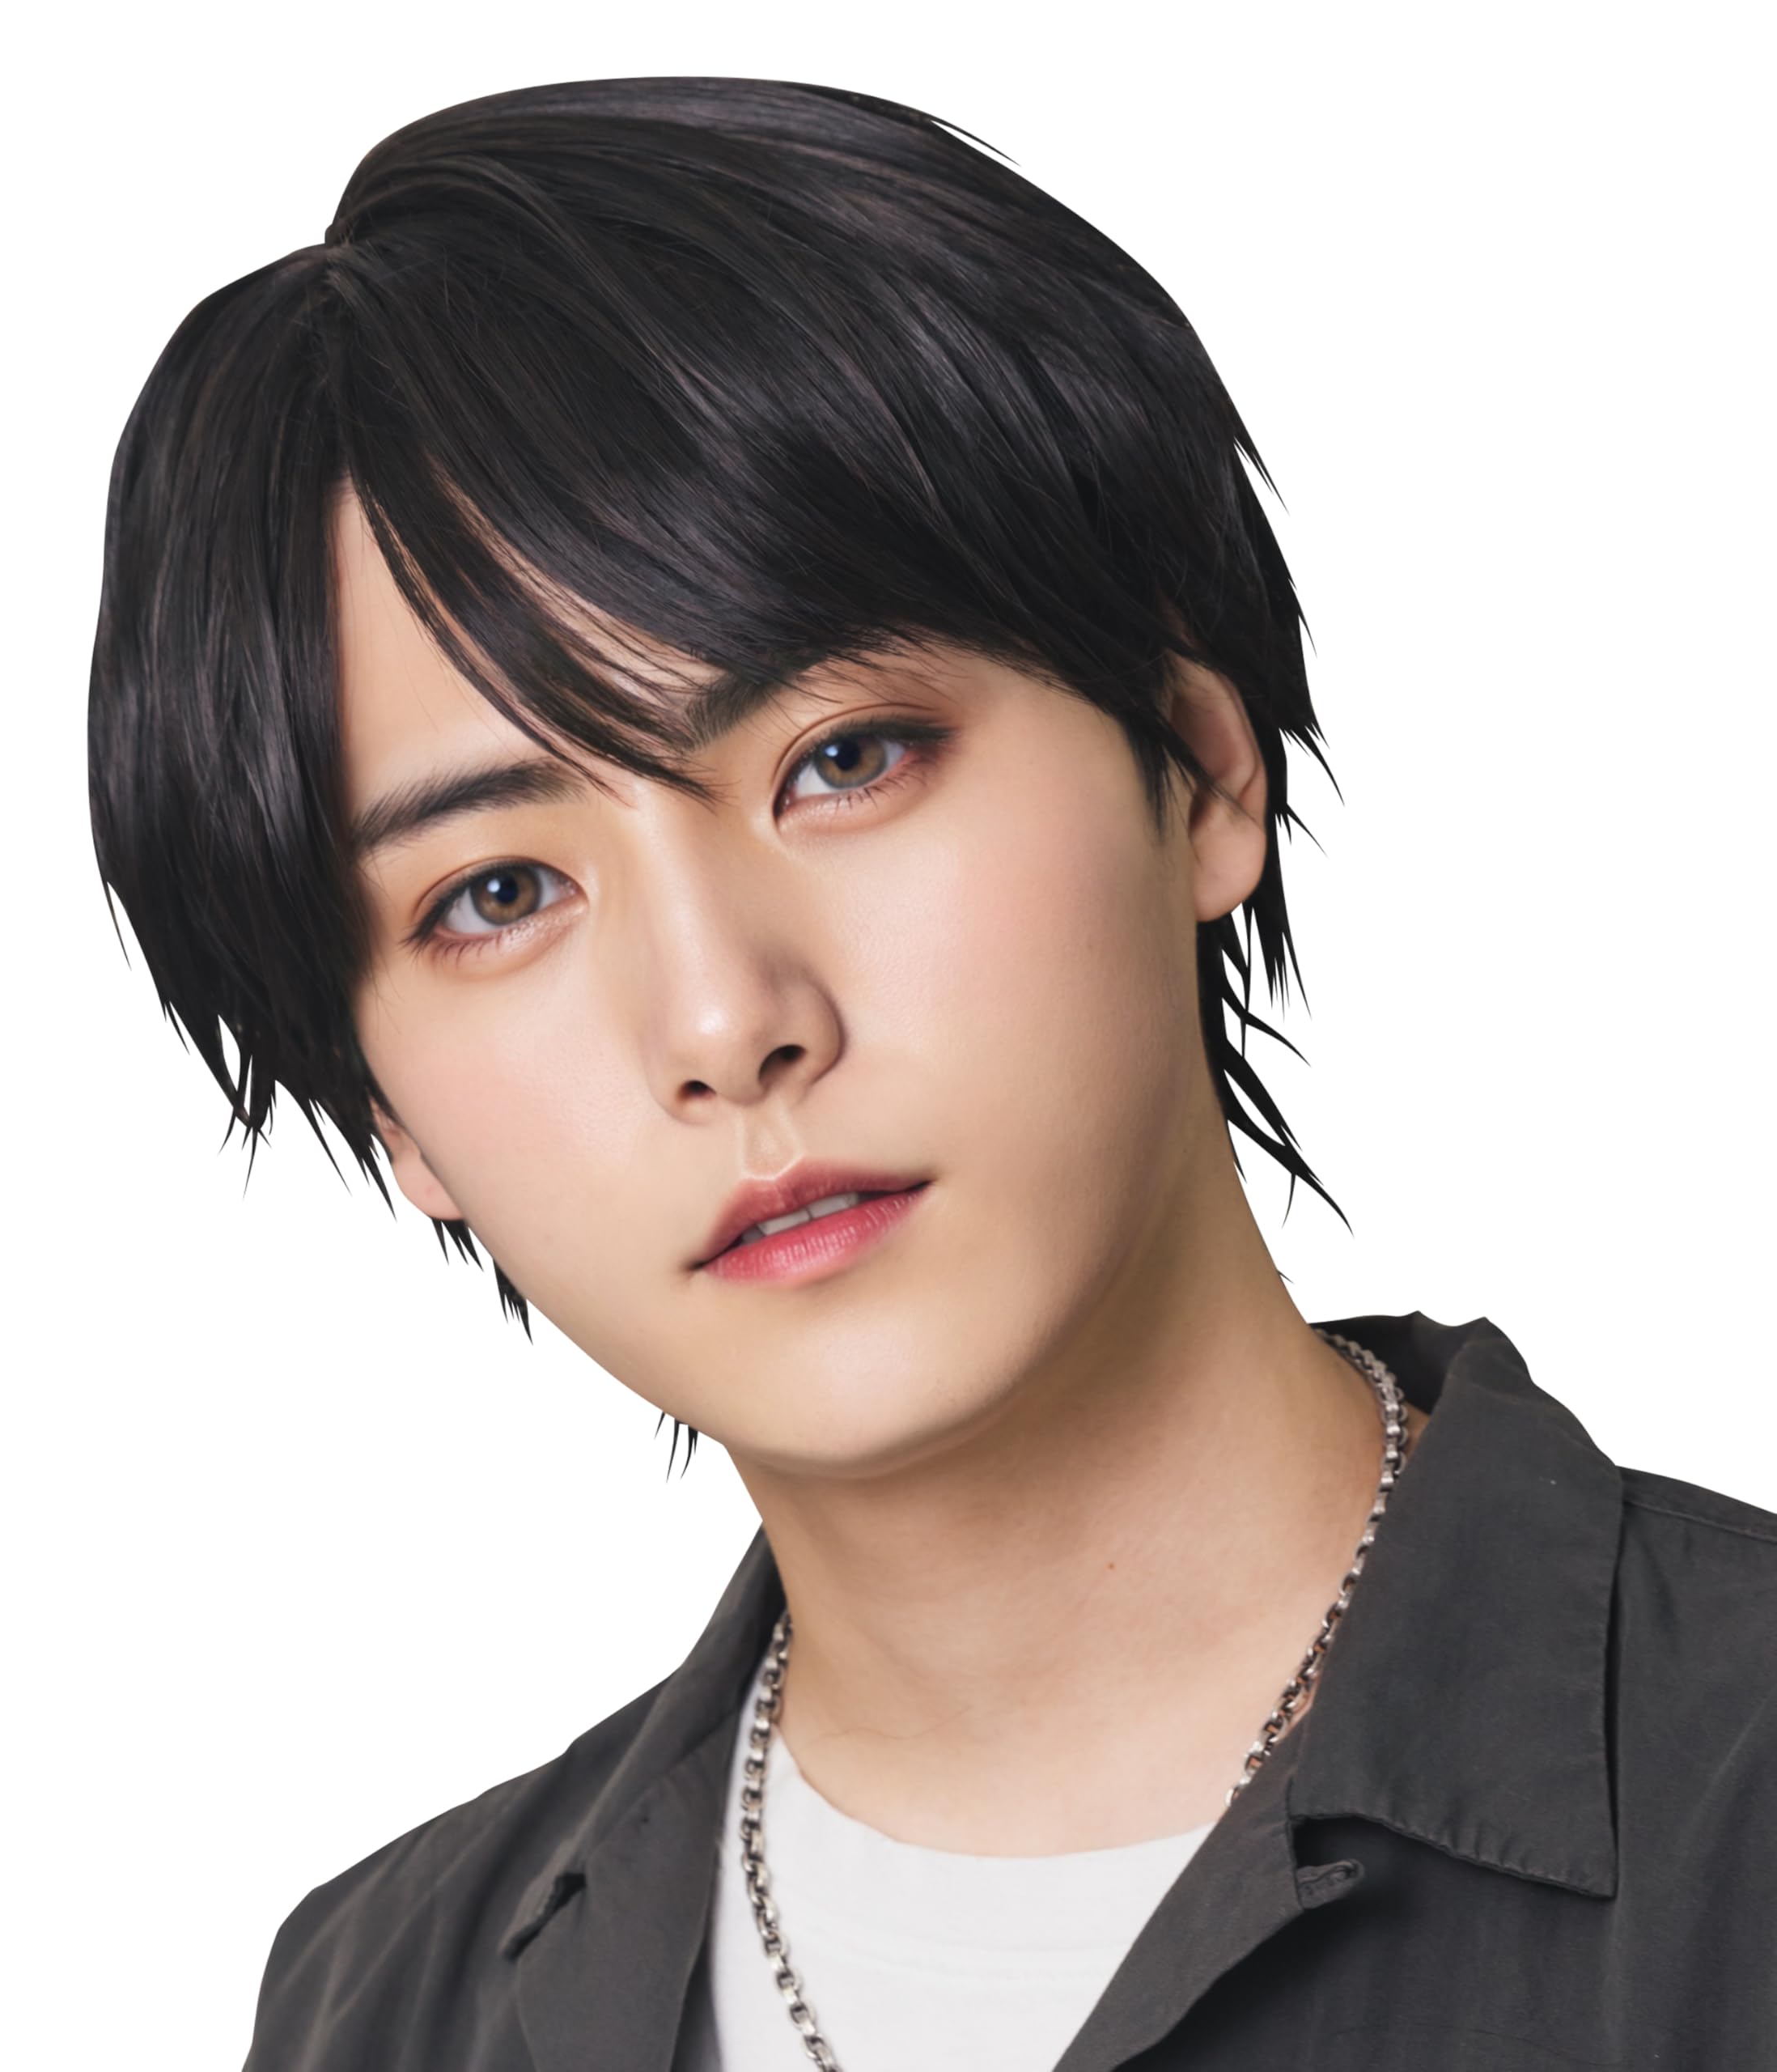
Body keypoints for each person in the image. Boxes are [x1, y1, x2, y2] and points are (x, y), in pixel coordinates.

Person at [87, 75, 1775, 2072]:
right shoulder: (385, 2004)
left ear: (1196, 767)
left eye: (842, 759)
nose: (723, 1022)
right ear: (389, 1109)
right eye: (498, 892)